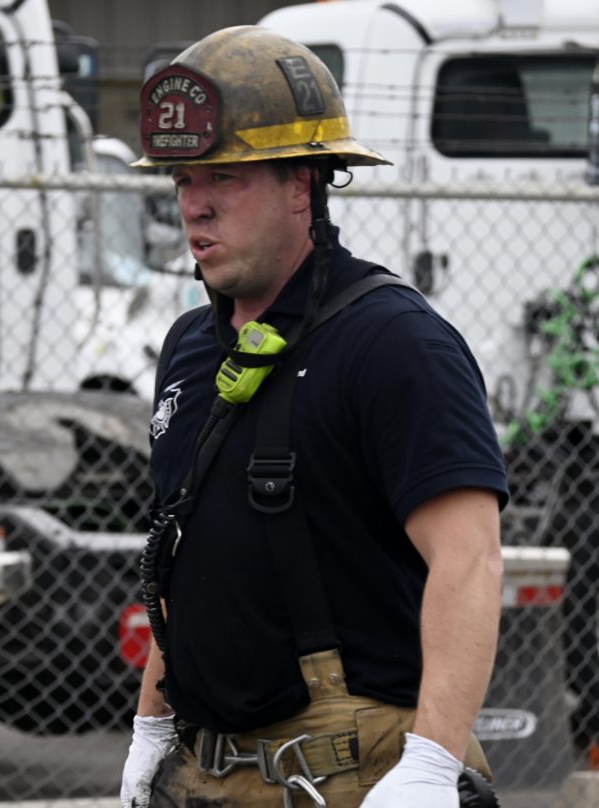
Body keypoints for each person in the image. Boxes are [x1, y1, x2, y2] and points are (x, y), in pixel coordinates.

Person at [120, 25, 508, 808]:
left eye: (223, 177)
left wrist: (431, 764)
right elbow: (185, 560)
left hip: (363, 776)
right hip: (209, 772)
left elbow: (470, 560)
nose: (194, 205)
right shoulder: (190, 348)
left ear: (302, 185)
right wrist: (151, 725)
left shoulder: (394, 342)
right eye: (181, 179)